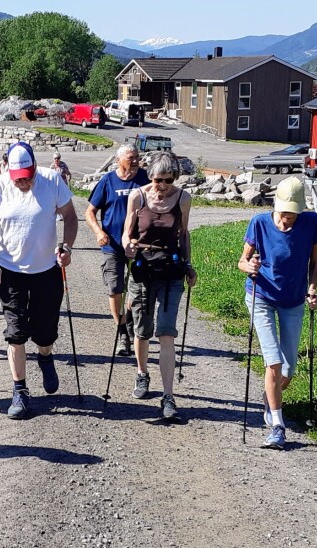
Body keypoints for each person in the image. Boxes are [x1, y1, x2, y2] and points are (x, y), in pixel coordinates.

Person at [0, 142, 79, 420]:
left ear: (35, 167)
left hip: (47, 270)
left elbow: (71, 217)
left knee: (45, 332)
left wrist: (67, 248)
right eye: (18, 178)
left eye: (27, 177)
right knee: (16, 332)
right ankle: (20, 391)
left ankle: (45, 356)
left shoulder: (52, 180)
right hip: (10, 271)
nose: (22, 182)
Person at [237, 176, 317, 450]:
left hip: (293, 300)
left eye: (293, 214)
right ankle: (277, 426)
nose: (288, 219)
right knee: (273, 362)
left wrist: (312, 288)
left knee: (288, 369)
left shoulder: (312, 223)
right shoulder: (259, 223)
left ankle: (270, 397)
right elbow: (242, 261)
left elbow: (314, 263)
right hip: (261, 296)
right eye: (284, 213)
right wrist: (250, 267)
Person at [120, 151, 197, 421]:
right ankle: (142, 374)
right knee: (142, 331)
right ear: (150, 176)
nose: (162, 185)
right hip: (143, 270)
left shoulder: (183, 198)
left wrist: (189, 265)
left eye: (168, 180)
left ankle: (168, 395)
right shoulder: (137, 196)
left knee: (166, 333)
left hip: (171, 272)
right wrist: (128, 247)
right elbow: (127, 233)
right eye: (157, 179)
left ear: (174, 178)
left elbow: (183, 234)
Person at [85, 144, 147, 357]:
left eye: (137, 156)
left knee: (137, 289)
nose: (136, 160)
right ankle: (122, 332)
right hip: (112, 244)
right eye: (131, 157)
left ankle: (129, 322)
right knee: (115, 288)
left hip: (139, 245)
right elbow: (90, 212)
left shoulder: (146, 179)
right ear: (118, 160)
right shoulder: (108, 181)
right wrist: (98, 232)